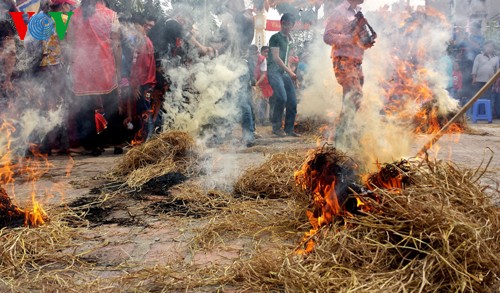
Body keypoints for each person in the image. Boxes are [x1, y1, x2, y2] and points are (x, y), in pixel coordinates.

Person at [66, 0, 122, 156]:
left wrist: (71, 67)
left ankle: (94, 146)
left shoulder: (73, 16)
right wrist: (118, 69)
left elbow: (69, 44)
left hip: (84, 70)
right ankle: (117, 143)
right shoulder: (111, 15)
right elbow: (116, 45)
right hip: (106, 68)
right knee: (111, 107)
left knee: (87, 110)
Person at [323, 0, 375, 147]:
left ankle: (343, 135)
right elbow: (327, 36)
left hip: (356, 61)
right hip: (343, 60)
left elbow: (359, 38)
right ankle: (342, 137)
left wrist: (366, 41)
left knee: (354, 100)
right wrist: (350, 39)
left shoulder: (357, 12)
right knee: (354, 95)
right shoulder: (339, 12)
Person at [267, 12, 300, 137]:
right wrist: (290, 72)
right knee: (281, 97)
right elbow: (276, 58)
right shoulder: (275, 38)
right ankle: (276, 127)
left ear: (292, 25)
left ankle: (289, 129)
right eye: (284, 24)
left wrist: (292, 72)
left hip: (285, 74)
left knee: (292, 101)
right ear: (281, 23)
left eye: (289, 25)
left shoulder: (290, 41)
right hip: (274, 72)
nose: (286, 27)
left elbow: (290, 58)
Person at [130, 15, 157, 144]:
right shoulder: (145, 41)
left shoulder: (143, 42)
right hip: (146, 83)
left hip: (143, 83)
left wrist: (135, 85)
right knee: (145, 111)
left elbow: (141, 66)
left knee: (145, 112)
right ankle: (145, 139)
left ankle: (146, 142)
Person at [254, 45, 273, 125]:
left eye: (268, 52)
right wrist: (255, 83)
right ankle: (257, 119)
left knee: (267, 101)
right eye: (265, 52)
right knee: (257, 101)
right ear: (261, 52)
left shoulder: (270, 61)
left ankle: (266, 119)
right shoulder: (259, 59)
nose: (266, 54)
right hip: (257, 81)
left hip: (266, 82)